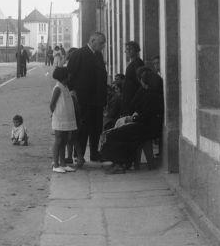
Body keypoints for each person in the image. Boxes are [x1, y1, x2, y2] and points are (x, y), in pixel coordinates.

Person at [100, 69, 164, 172]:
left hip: (146, 128)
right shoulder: (146, 92)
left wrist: (133, 118)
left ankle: (120, 163)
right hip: (143, 124)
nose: (140, 81)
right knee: (115, 132)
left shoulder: (153, 95)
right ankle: (119, 162)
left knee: (115, 135)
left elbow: (146, 115)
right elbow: (134, 105)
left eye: (142, 79)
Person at [66, 32, 108, 167]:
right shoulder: (79, 54)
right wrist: (73, 92)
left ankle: (95, 153)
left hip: (98, 100)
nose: (103, 46)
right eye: (101, 43)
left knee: (96, 128)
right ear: (92, 40)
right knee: (83, 128)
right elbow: (70, 74)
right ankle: (79, 155)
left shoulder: (98, 55)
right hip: (83, 99)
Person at [49, 66, 78, 172]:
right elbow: (52, 104)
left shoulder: (65, 87)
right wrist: (53, 115)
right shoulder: (58, 88)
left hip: (67, 118)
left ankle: (63, 163)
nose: (69, 77)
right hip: (60, 118)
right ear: (63, 77)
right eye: (68, 75)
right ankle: (56, 164)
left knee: (64, 140)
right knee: (58, 140)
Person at [120, 41, 145, 116]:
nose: (126, 51)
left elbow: (140, 81)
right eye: (127, 49)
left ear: (135, 50)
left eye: (129, 49)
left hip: (133, 96)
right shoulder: (133, 62)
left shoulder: (137, 63)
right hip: (129, 96)